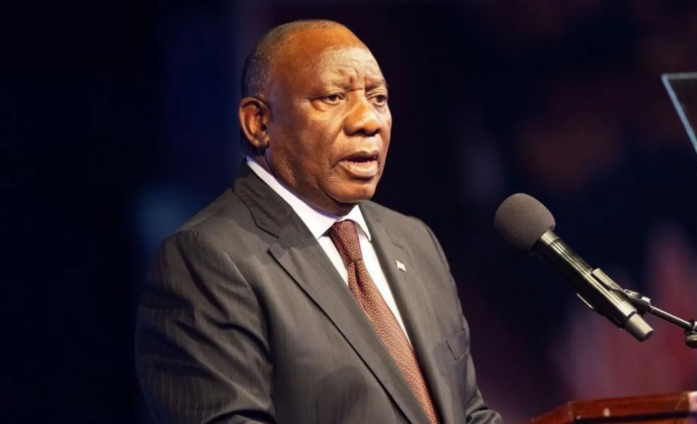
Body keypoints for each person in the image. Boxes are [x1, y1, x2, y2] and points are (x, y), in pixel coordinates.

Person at [135, 19, 502, 424]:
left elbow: (467, 412)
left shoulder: (415, 241)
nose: (368, 120)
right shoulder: (205, 258)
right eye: (333, 97)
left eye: (378, 98)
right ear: (259, 122)